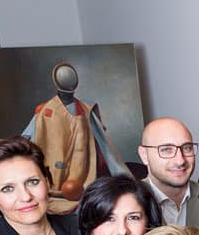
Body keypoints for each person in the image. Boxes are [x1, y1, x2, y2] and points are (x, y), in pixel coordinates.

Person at [21, 62, 131, 213]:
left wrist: (123, 176)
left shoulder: (86, 110)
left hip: (80, 175)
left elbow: (105, 145)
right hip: (52, 177)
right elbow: (25, 139)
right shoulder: (45, 111)